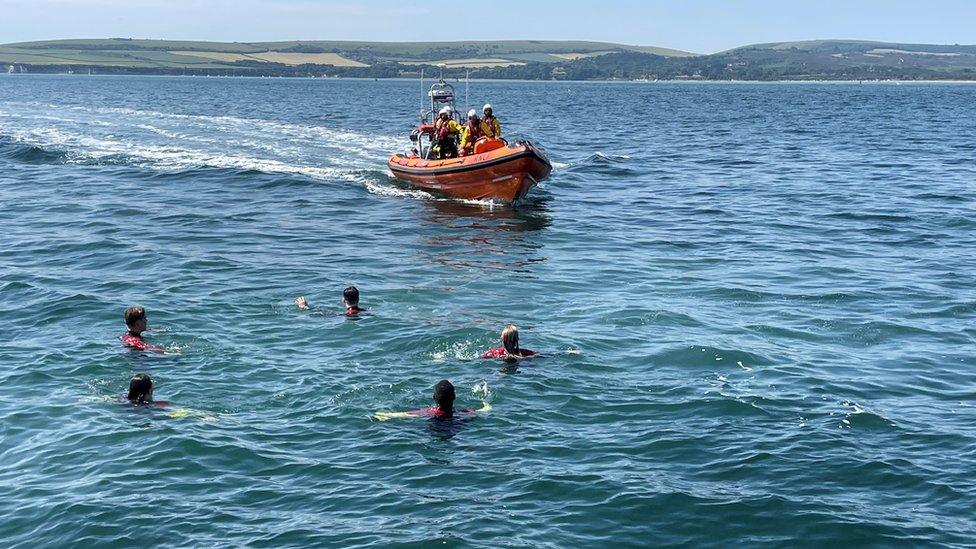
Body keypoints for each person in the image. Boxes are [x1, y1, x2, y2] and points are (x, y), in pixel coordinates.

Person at [374, 379, 491, 421]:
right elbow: (484, 411)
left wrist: (384, 415)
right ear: (454, 397)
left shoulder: (428, 412)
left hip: (433, 428)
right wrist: (486, 403)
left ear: (434, 397)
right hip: (455, 428)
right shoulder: (464, 412)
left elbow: (404, 415)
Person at [295, 286, 365, 317]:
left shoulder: (345, 315)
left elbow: (320, 313)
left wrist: (305, 307)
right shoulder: (365, 311)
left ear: (343, 300)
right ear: (358, 299)